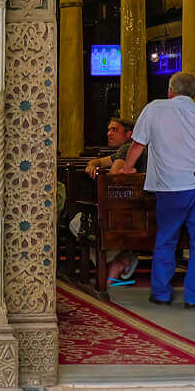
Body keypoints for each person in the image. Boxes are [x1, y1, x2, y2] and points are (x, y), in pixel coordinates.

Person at [118, 71, 195, 309]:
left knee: (166, 239)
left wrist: (127, 168)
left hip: (169, 187)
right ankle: (194, 298)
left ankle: (161, 294)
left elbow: (138, 144)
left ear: (170, 90)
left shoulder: (155, 108)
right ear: (194, 93)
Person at [85, 116, 143, 286]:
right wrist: (92, 164)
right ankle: (120, 259)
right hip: (131, 206)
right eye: (109, 129)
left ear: (128, 134)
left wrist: (101, 173)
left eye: (114, 130)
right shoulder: (123, 150)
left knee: (79, 221)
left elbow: (113, 179)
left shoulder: (127, 150)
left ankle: (121, 259)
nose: (109, 133)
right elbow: (98, 161)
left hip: (124, 208)